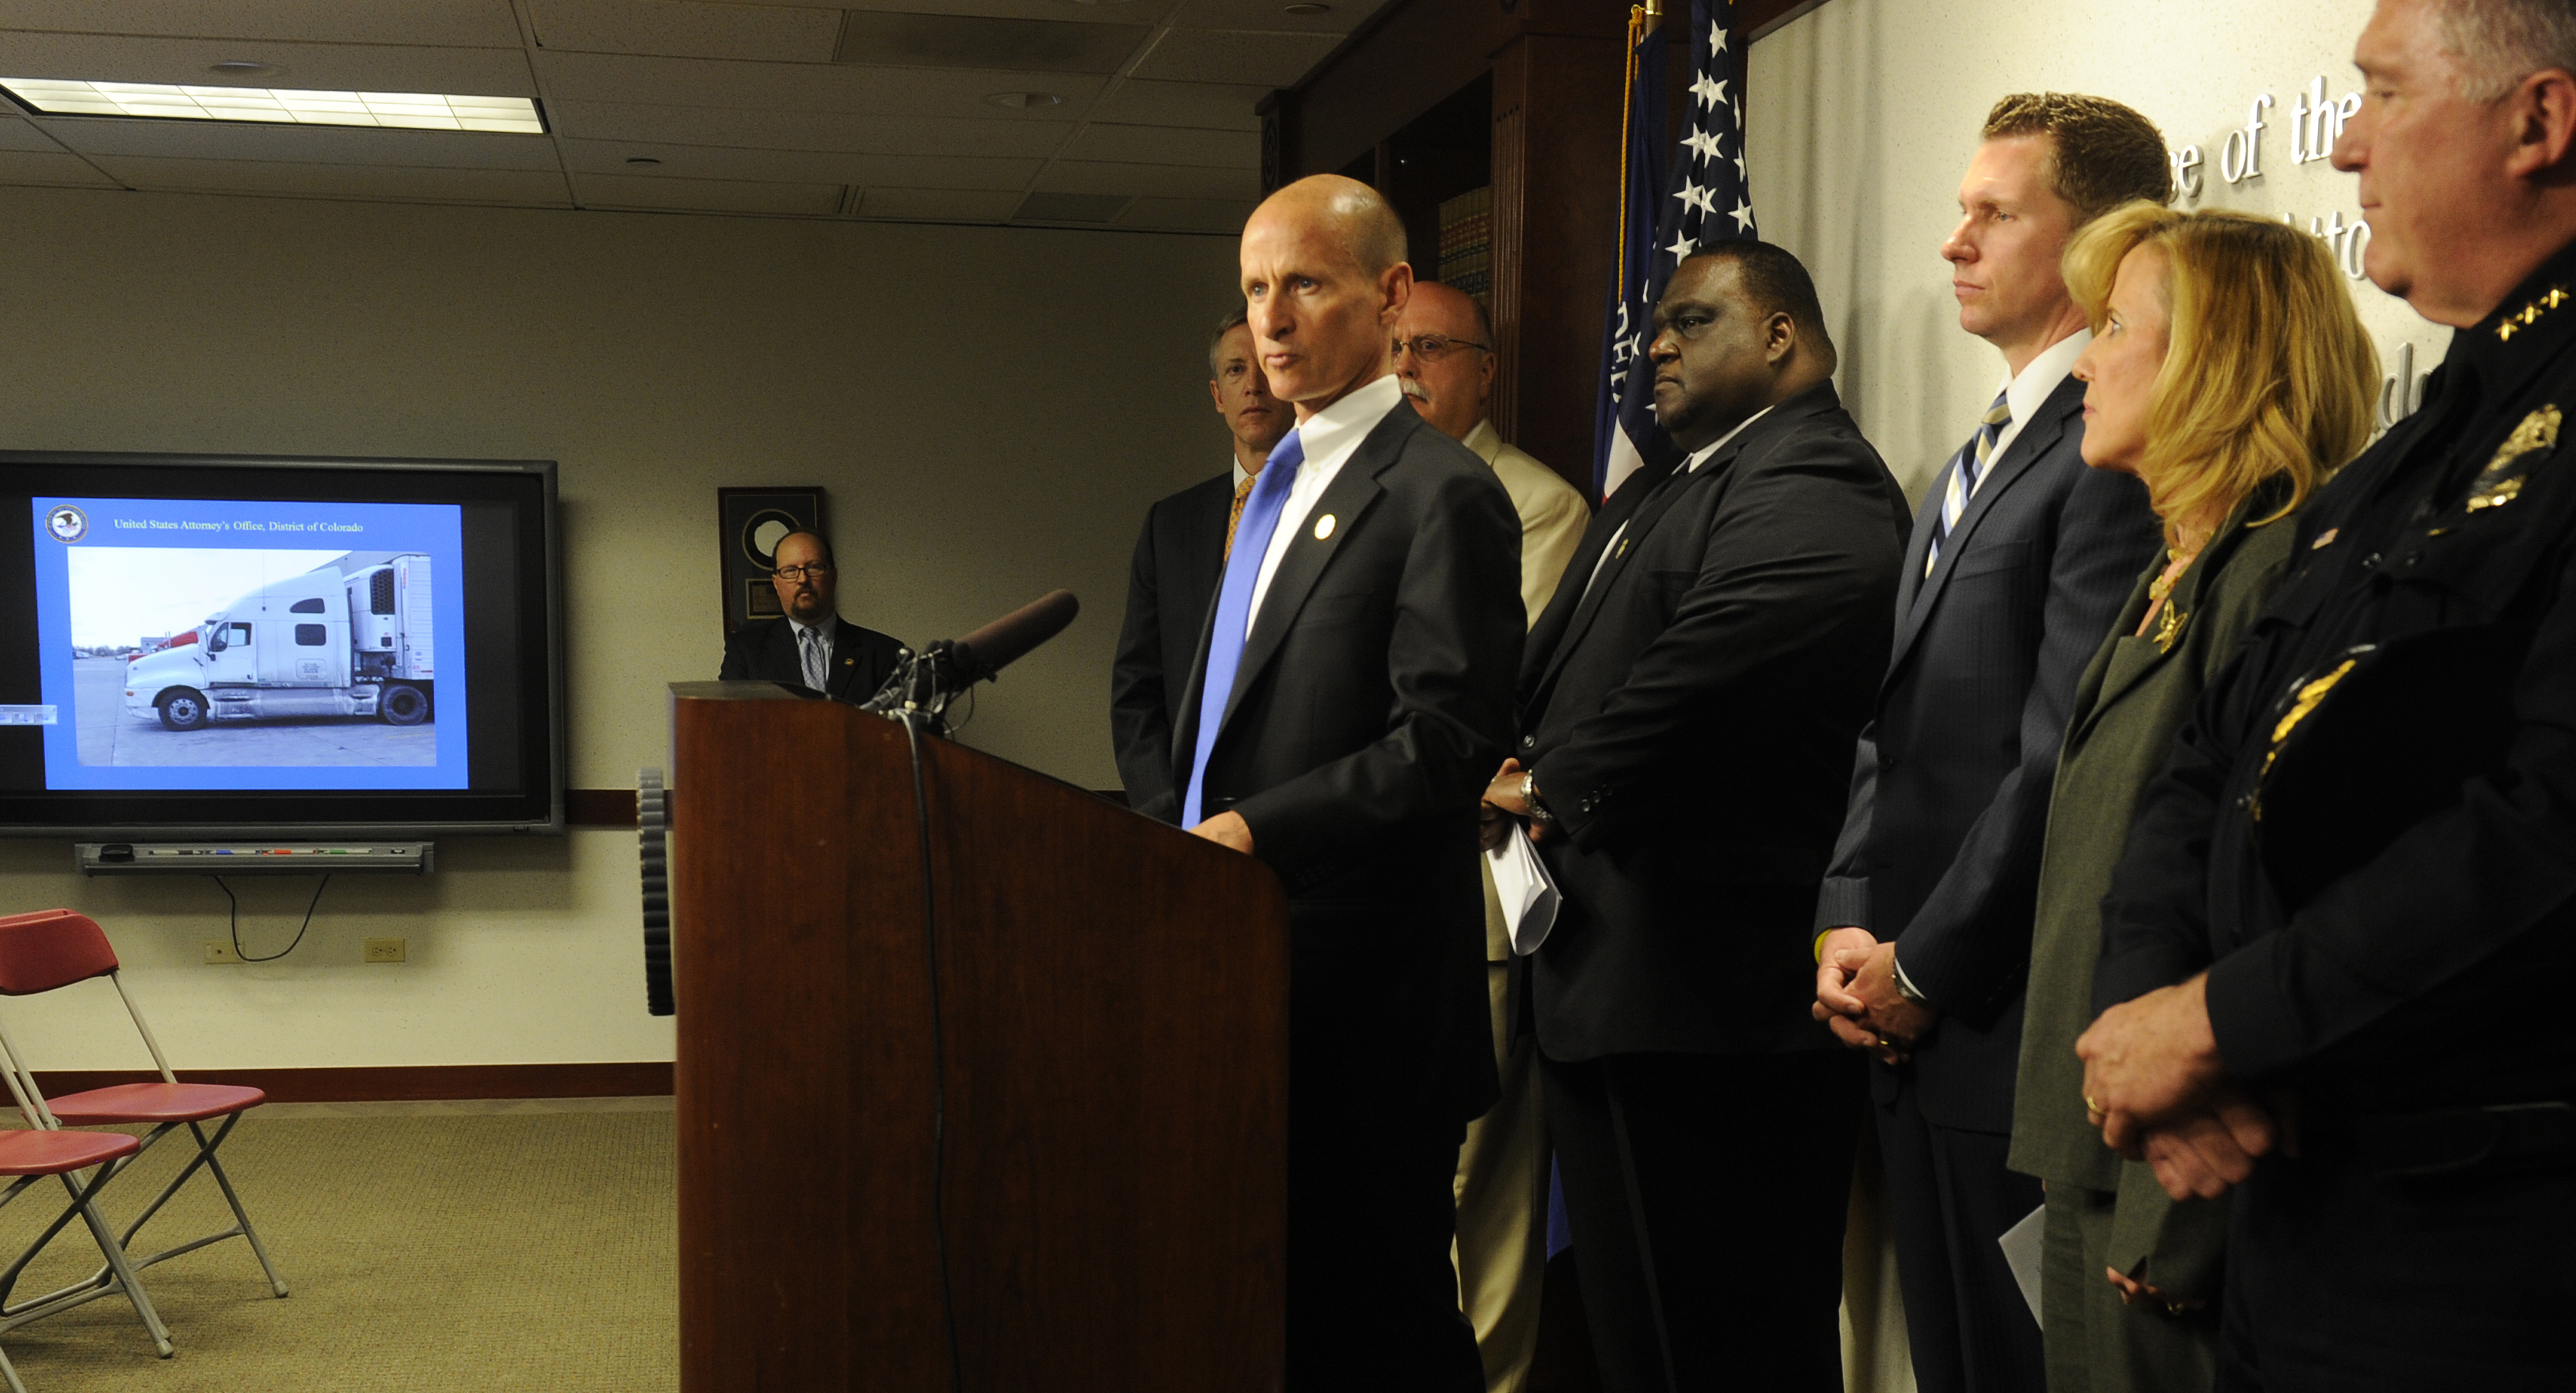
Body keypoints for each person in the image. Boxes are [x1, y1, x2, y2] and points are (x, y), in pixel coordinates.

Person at [2077, 2, 2576, 1386]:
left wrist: (2222, 1021)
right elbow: (2203, 767)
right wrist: (2149, 1016)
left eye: (2380, 93)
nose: (2344, 143)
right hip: (2292, 1199)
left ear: (2537, 122)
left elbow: (2549, 828)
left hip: (2482, 1239)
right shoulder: (2424, 441)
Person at [1484, 239, 1909, 1391]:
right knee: (1645, 1346)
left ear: (1778, 335)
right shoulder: (1667, 483)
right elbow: (1555, 673)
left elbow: (1708, 672)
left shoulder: (1815, 474)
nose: (1655, 345)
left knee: (1721, 1349)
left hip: (1710, 1006)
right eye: (1656, 325)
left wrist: (1548, 785)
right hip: (1615, 988)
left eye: (1690, 320)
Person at [1809, 93, 2168, 1393]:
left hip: (2003, 1021)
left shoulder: (2105, 453)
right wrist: (1847, 920)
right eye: (1959, 211)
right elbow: (1892, 727)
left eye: (1992, 213)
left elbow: (2065, 754)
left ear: (2093, 240)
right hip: (1903, 1015)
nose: (1953, 242)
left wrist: (1922, 960)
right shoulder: (1974, 457)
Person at [2002, 203, 2378, 1393]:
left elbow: (2249, 902)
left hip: (2167, 1190)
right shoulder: (2174, 574)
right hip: (2094, 1150)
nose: (2087, 353)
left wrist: (2178, 1222)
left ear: (2214, 365)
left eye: (2116, 326)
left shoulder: (2275, 579)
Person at [1171, 172, 1523, 1392]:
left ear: (1385, 296)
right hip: (1246, 980)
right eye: (1255, 289)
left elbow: (1443, 741)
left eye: (1303, 284)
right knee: (1280, 1324)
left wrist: (1250, 832)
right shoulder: (1274, 485)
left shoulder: (1441, 493)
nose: (1270, 318)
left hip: (1361, 1009)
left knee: (1381, 1332)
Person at [1390, 277, 1586, 1393]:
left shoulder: (1534, 505)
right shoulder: (1378, 493)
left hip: (1475, 906)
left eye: (1430, 346)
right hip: (1380, 894)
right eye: (1395, 347)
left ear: (1483, 367)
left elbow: (1477, 715)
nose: (1406, 367)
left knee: (1483, 1207)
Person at [1111, 307, 1292, 815]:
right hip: (1184, 818)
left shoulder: (1332, 508)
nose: (1252, 385)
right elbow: (1136, 690)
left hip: (1294, 817)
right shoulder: (1171, 524)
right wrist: (1165, 813)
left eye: (1264, 366)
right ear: (1217, 395)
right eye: (1235, 370)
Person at [716, 529, 903, 699]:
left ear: (833, 576)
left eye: (814, 567)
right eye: (790, 571)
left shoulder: (884, 653)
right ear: (776, 582)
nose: (803, 579)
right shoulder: (746, 650)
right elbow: (730, 723)